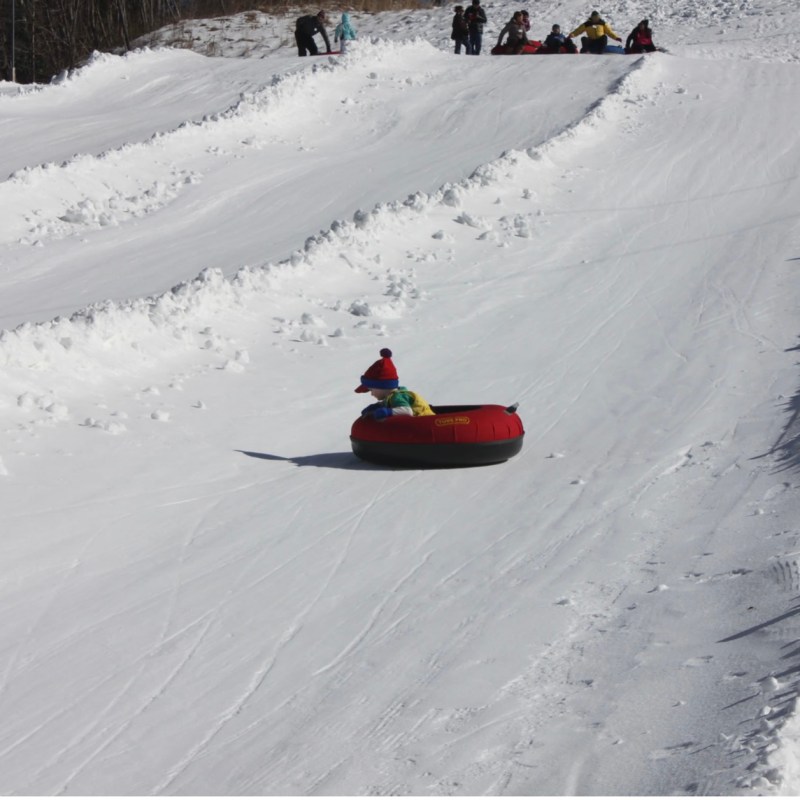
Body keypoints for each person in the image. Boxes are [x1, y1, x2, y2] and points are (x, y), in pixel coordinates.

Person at [356, 349, 435, 419]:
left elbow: (407, 411)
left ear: (382, 386)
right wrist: (376, 407)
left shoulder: (397, 397)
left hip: (427, 421)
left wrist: (386, 412)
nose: (372, 394)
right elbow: (390, 405)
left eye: (371, 390)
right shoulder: (391, 397)